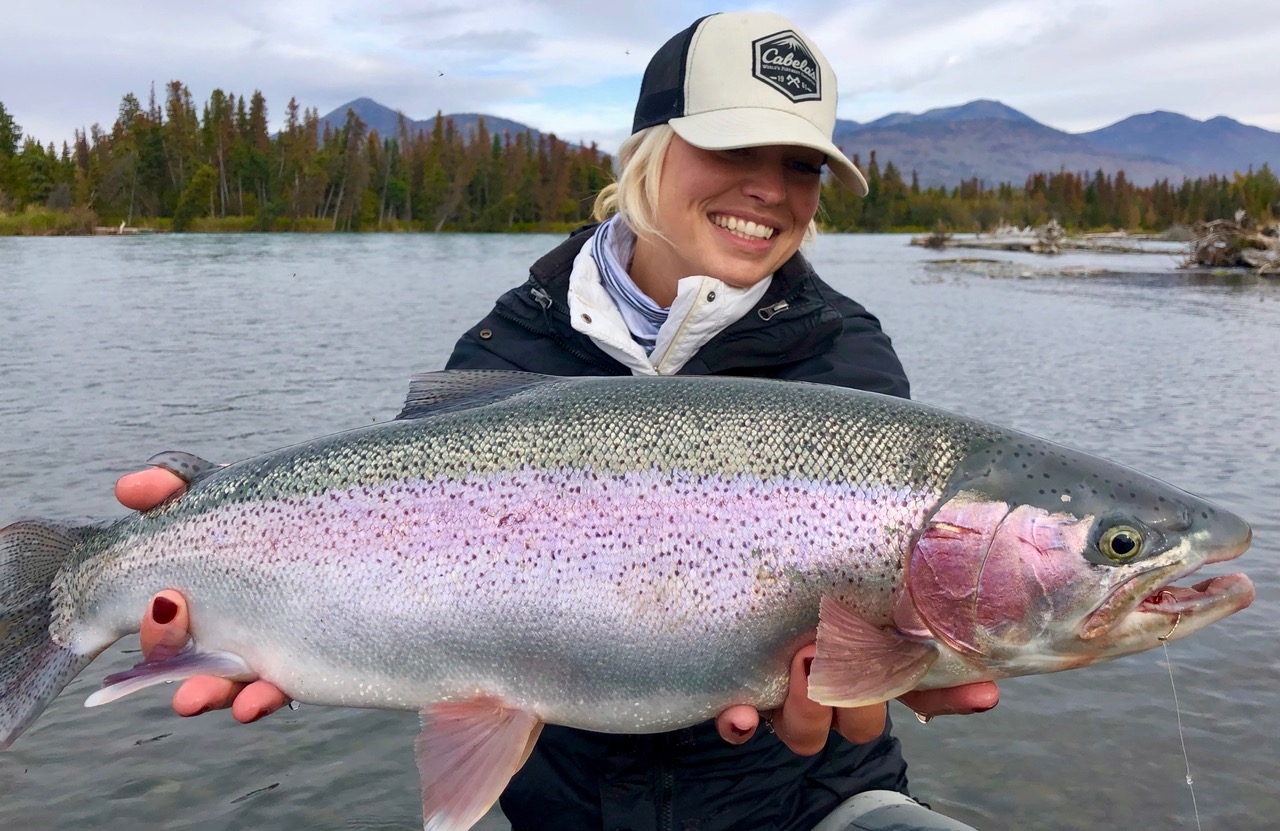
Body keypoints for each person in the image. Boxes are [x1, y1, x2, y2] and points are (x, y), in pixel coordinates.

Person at [117, 12, 999, 831]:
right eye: (734, 146)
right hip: (566, 808)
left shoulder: (847, 361)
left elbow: (880, 637)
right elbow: (382, 561)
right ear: (651, 150)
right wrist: (228, 556)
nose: (770, 189)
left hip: (807, 803)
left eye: (801, 165)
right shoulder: (509, 344)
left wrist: (896, 670)